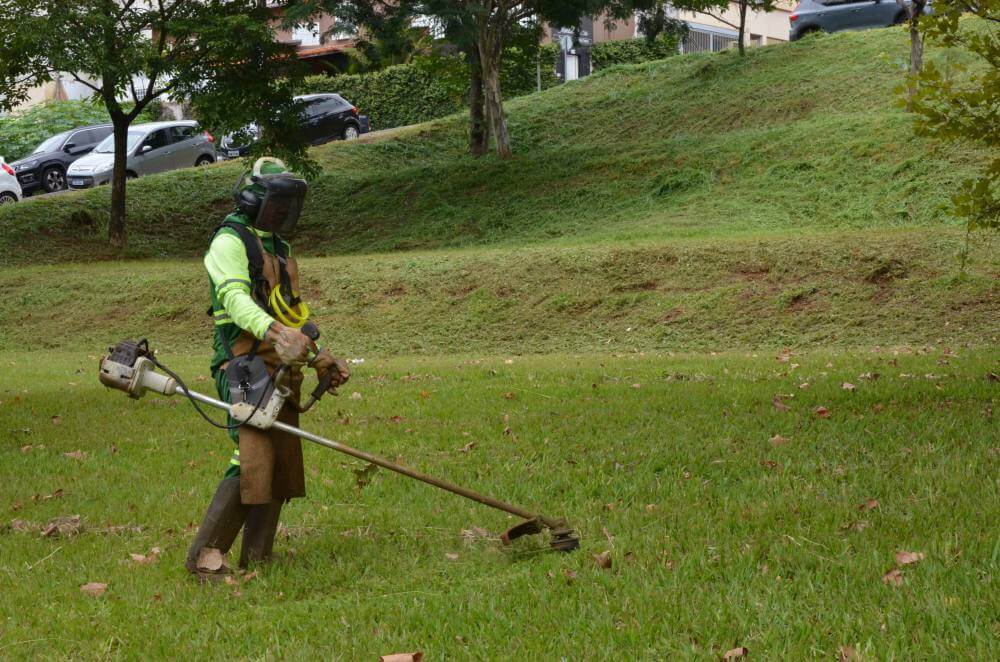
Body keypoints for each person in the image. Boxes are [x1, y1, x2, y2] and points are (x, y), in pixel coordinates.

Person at [185, 157, 349, 579]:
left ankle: (257, 558)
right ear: (253, 199)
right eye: (277, 204)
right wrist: (276, 336)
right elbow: (237, 301)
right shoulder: (228, 242)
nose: (283, 214)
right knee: (251, 453)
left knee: (276, 456)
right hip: (241, 363)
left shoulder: (279, 248)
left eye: (289, 207)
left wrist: (319, 358)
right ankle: (204, 561)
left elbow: (291, 314)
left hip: (279, 364)